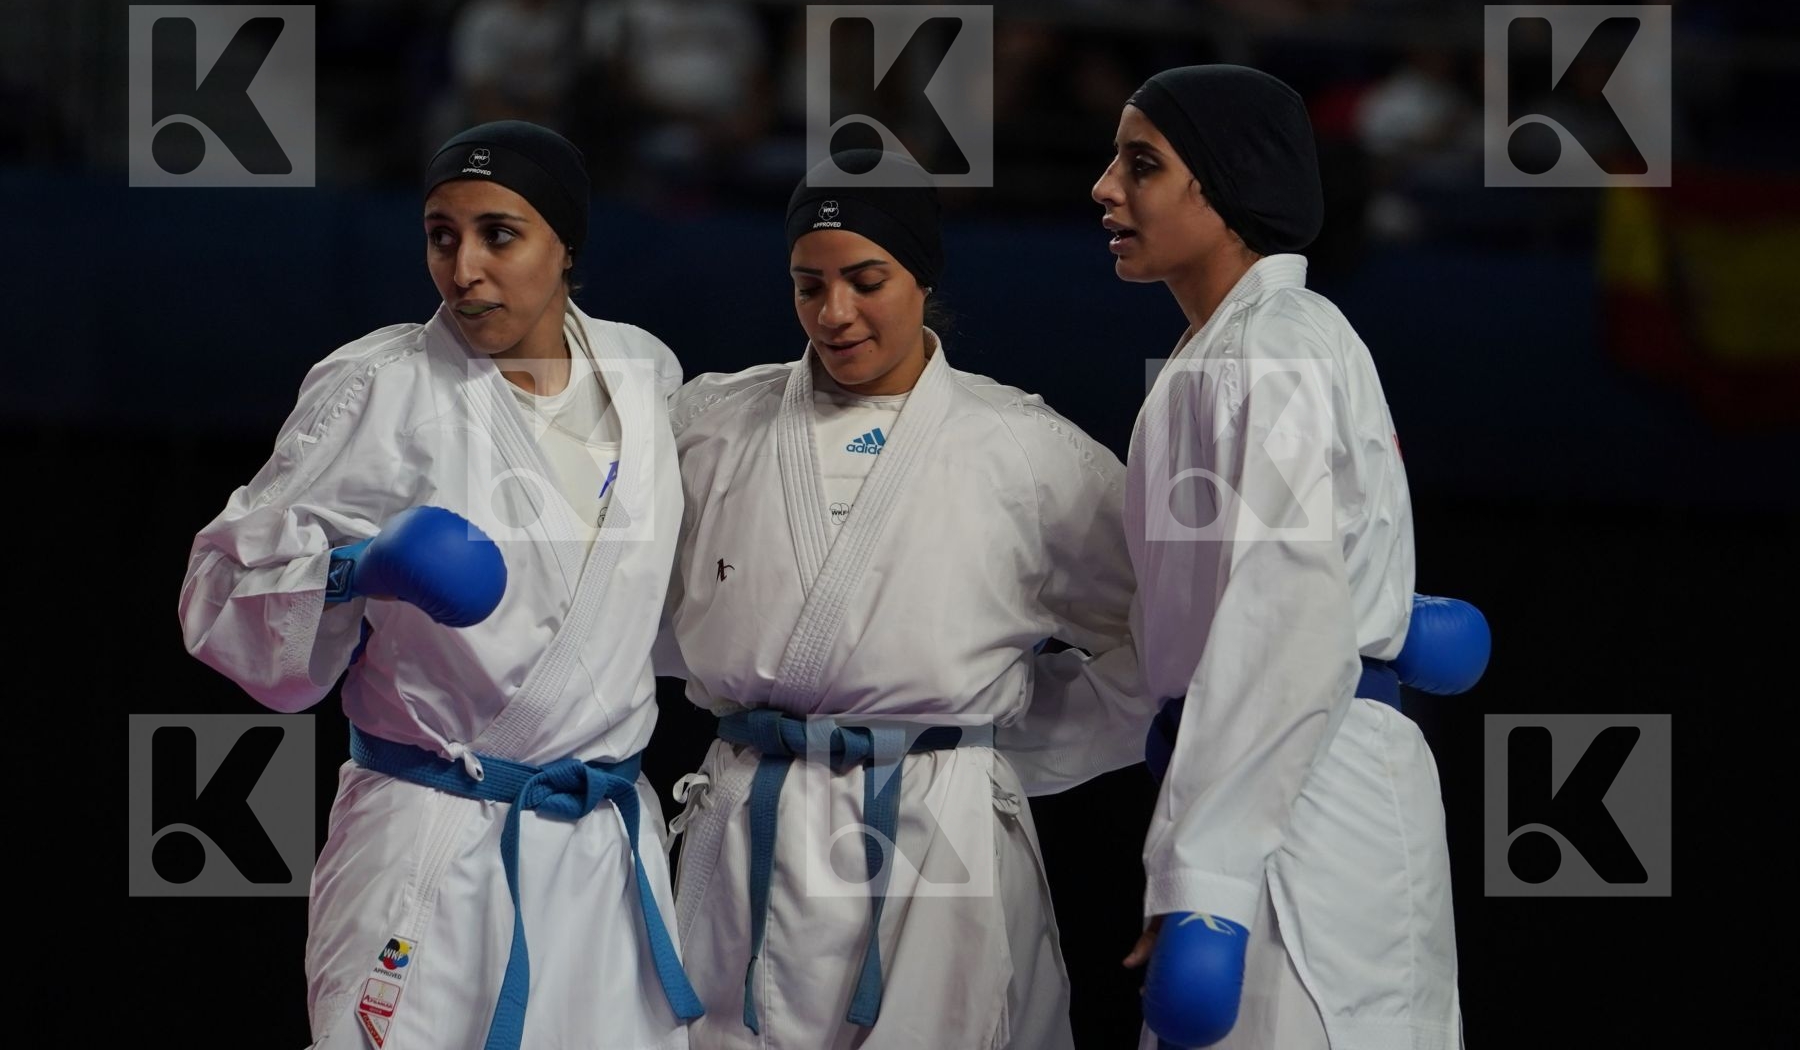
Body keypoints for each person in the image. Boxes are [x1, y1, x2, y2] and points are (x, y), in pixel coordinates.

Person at [177, 120, 701, 1049]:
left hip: (601, 843)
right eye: (440, 234)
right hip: (429, 833)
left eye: (499, 234)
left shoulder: (642, 370)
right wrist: (354, 570)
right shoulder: (380, 388)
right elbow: (217, 596)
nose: (463, 268)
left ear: (566, 245)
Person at [655, 148, 1153, 1049]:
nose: (834, 313)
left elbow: (1155, 634)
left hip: (941, 832)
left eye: (865, 279)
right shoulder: (711, 425)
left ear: (922, 276)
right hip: (750, 824)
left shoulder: (1025, 451)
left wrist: (999, 748)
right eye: (809, 285)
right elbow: (636, 615)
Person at [1092, 65, 1461, 1049]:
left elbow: (1286, 608)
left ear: (1223, 186)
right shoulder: (1229, 349)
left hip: (1305, 787)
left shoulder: (1274, 349)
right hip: (1265, 773)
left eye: (1142, 165)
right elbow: (1179, 641)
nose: (1104, 189)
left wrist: (1205, 876)